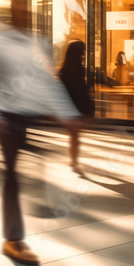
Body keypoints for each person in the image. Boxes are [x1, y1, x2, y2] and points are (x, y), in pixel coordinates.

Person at [0, 0, 81, 266]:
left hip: (29, 116)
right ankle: (13, 239)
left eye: (26, 8)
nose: (23, 13)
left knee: (30, 165)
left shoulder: (37, 44)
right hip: (5, 119)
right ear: (10, 11)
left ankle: (28, 214)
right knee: (11, 176)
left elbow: (48, 84)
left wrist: (68, 115)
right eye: (18, 8)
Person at [59, 40, 93, 176]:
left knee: (74, 135)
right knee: (75, 135)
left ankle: (74, 161)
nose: (84, 54)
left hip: (70, 104)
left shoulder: (65, 68)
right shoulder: (76, 69)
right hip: (75, 105)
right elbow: (82, 89)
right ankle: (74, 162)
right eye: (82, 51)